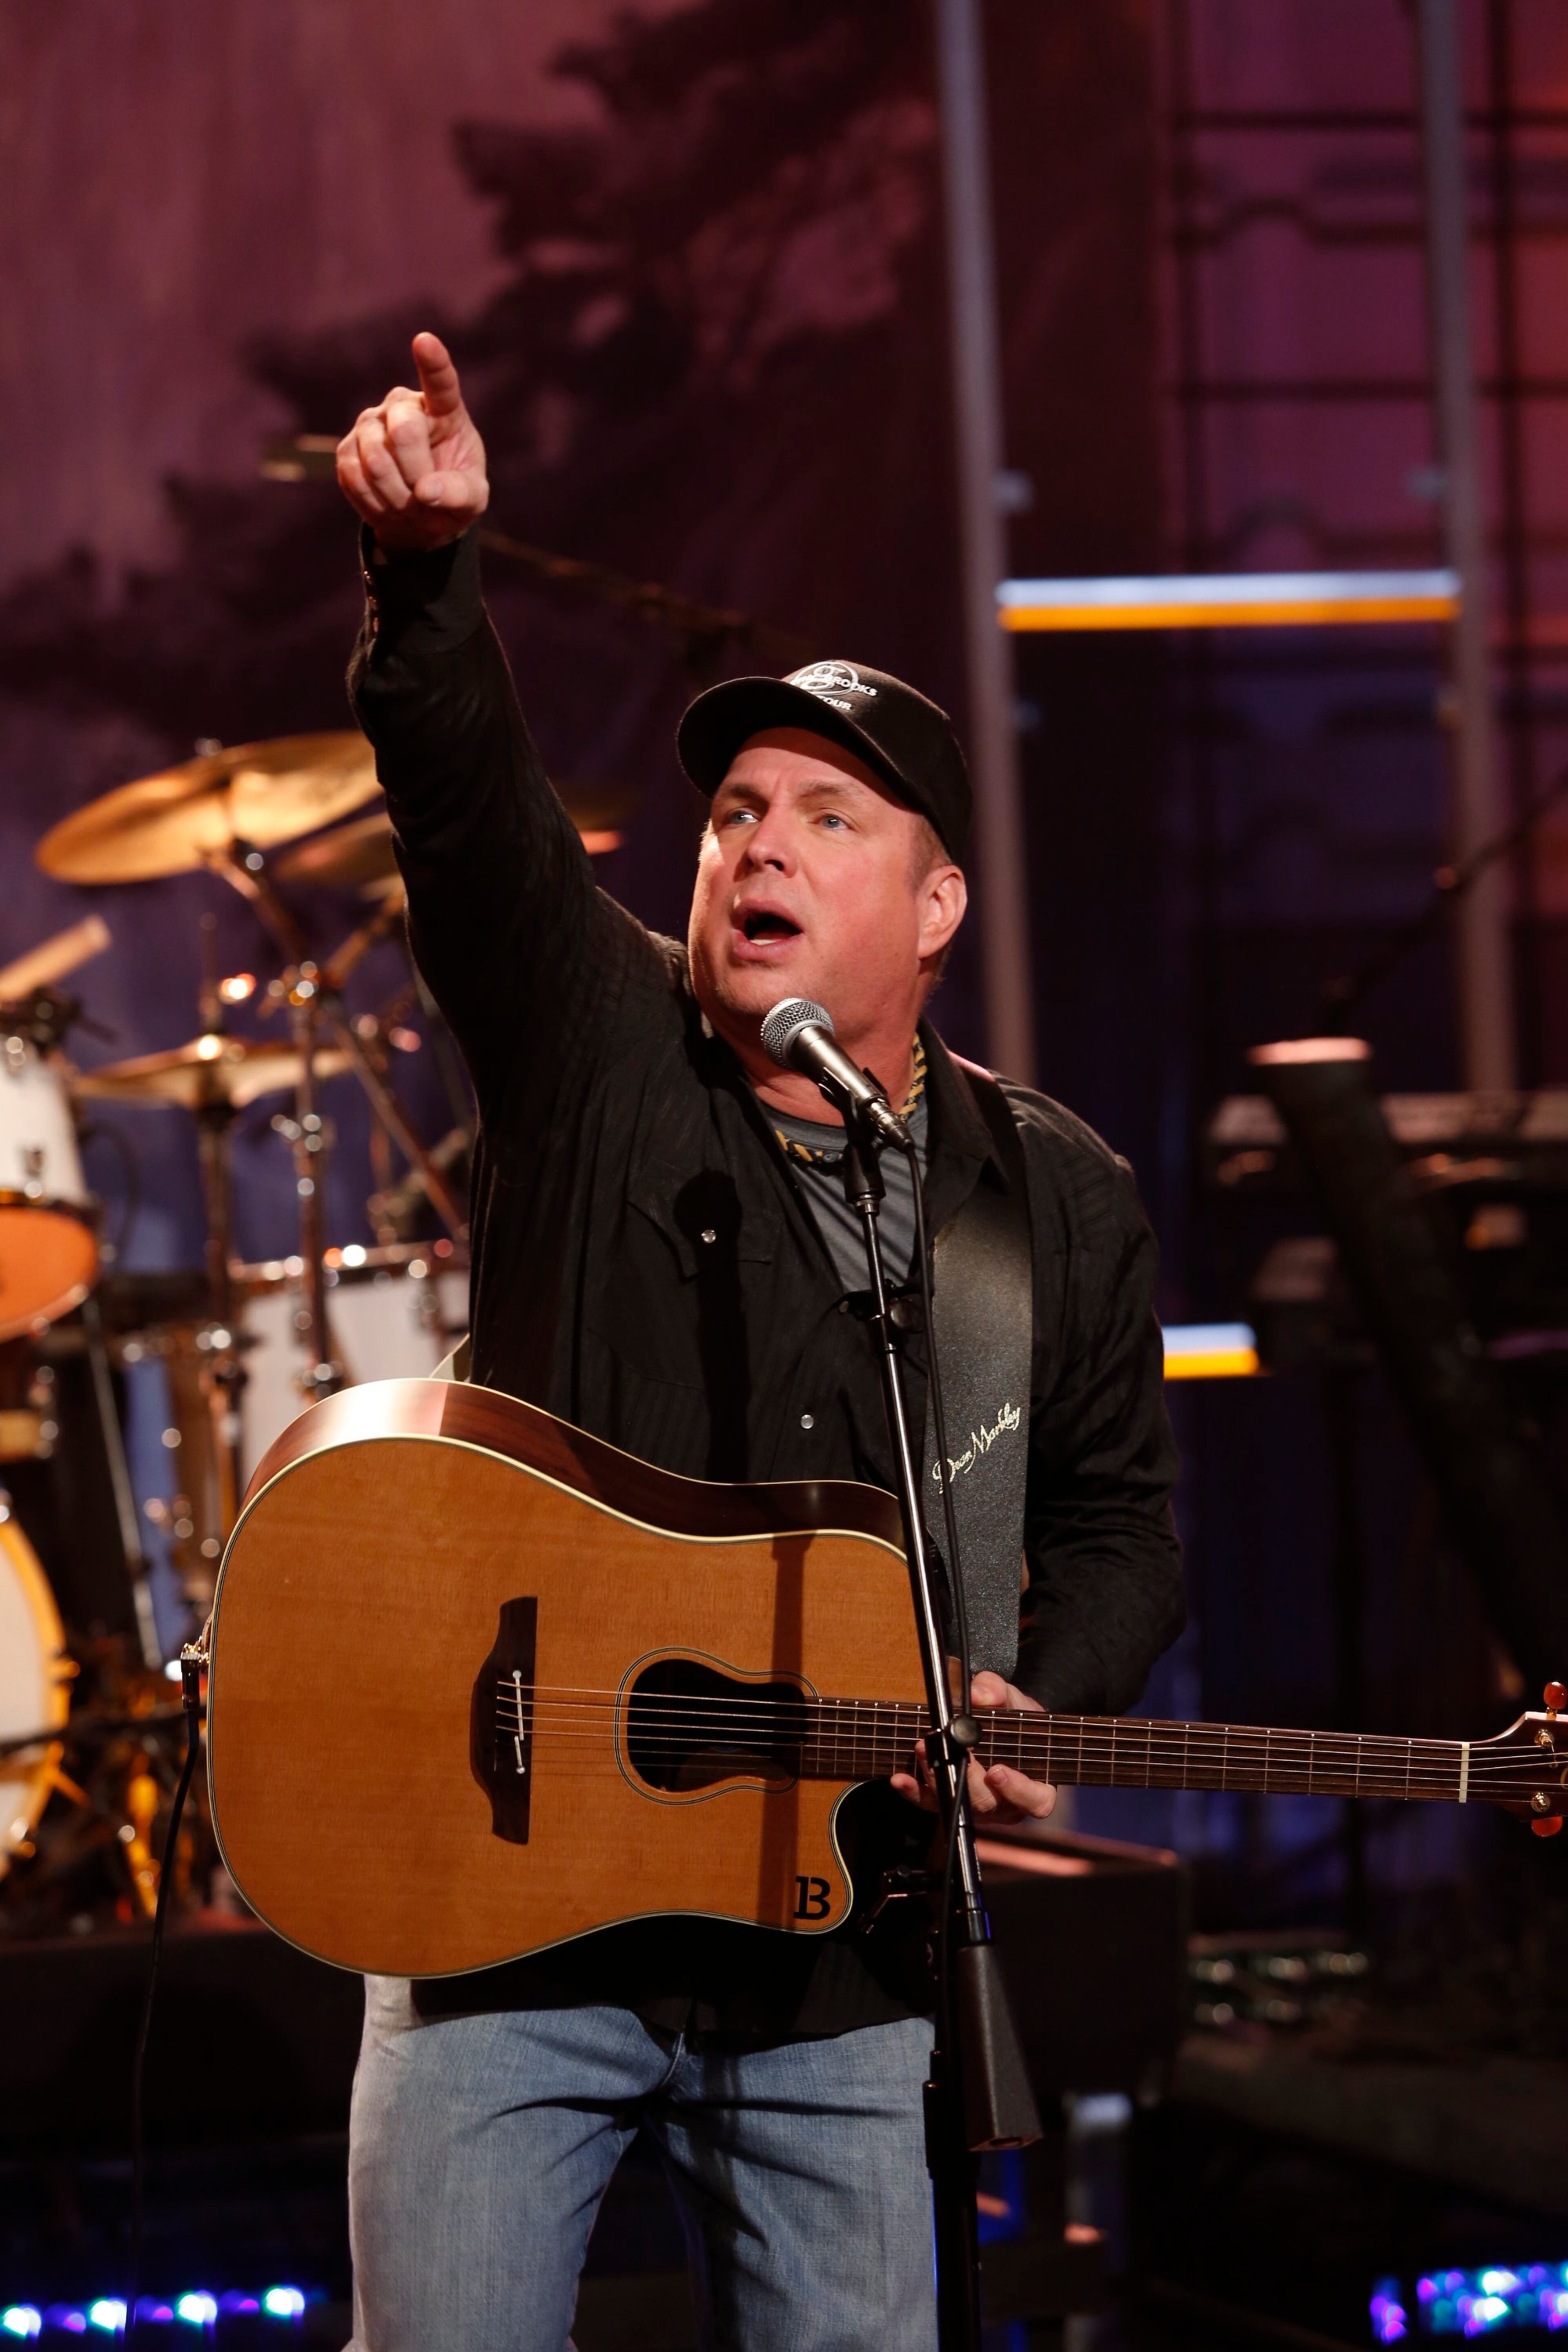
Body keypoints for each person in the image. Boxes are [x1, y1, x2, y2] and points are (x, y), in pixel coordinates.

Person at [334, 332, 1184, 2352]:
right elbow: (466, 810)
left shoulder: (1050, 1197)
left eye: (825, 814)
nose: (760, 845)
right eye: (734, 809)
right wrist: (429, 582)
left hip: (842, 1947)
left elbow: (1124, 1532)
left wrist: (1034, 1694)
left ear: (941, 903)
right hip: (507, 1913)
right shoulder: (597, 1033)